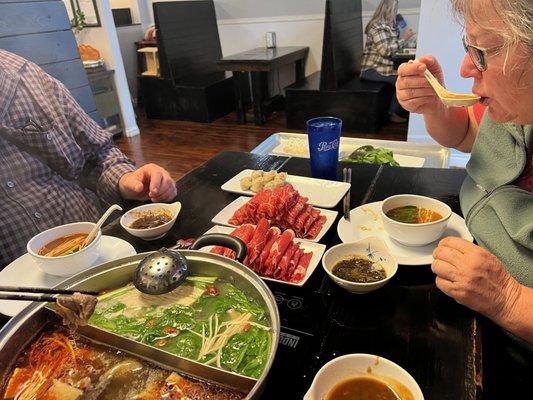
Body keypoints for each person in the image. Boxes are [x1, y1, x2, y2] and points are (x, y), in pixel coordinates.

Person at [396, 0, 532, 345]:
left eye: (482, 52)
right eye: (467, 47)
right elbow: (467, 134)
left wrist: (509, 298)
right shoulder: (517, 104)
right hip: (464, 277)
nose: (466, 67)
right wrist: (434, 107)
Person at [0, 49, 177, 268]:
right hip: (13, 292)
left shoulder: (30, 79)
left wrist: (126, 180)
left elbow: (99, 155)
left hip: (100, 247)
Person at [360, 0, 415, 123]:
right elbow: (385, 50)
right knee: (401, 80)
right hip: (372, 70)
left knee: (404, 75)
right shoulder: (377, 27)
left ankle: (397, 110)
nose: (396, 12)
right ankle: (394, 113)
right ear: (389, 10)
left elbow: (391, 45)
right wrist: (404, 39)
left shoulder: (388, 26)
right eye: (394, 10)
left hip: (383, 68)